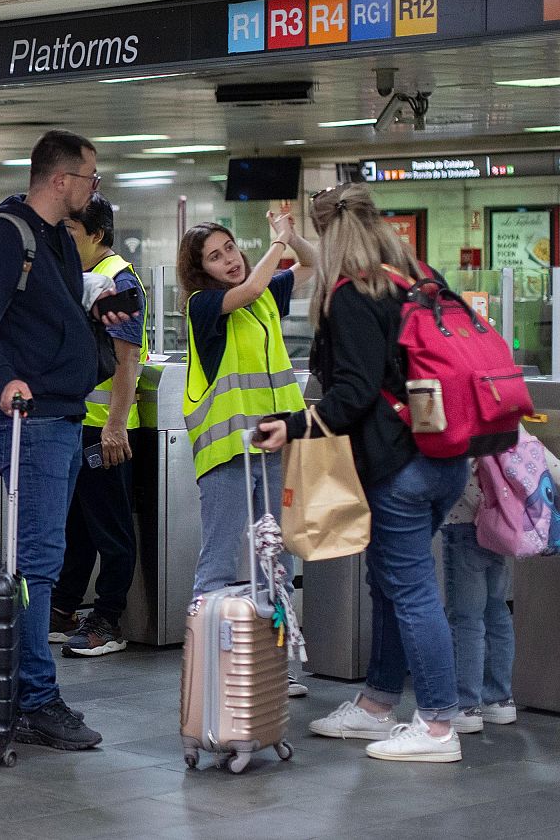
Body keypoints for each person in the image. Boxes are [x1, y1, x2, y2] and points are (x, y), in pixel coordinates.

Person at [258, 183, 470, 764]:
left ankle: (436, 725)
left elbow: (351, 392)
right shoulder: (417, 278)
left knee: (411, 591)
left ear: (328, 235)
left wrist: (292, 425)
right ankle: (378, 701)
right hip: (443, 456)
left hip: (398, 465)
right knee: (393, 585)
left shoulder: (354, 294)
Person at [0, 129, 115, 751]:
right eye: (89, 179)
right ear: (60, 179)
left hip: (62, 416)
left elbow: (45, 322)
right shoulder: (5, 234)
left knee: (41, 558)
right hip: (30, 419)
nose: (92, 190)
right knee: (36, 563)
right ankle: (34, 698)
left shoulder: (56, 242)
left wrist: (96, 324)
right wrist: (3, 378)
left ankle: (30, 692)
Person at [177, 214, 314, 696]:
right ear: (200, 271)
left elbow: (311, 266)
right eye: (215, 256)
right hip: (226, 452)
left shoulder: (262, 296)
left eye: (231, 248)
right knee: (218, 559)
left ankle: (275, 664)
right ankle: (207, 664)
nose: (229, 260)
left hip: (272, 446)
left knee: (275, 558)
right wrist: (277, 241)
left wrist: (293, 237)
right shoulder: (204, 304)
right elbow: (252, 290)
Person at [53, 193, 146, 658]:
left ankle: (108, 617)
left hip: (102, 427)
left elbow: (127, 361)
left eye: (71, 232)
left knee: (109, 526)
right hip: (73, 420)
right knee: (75, 525)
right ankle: (64, 606)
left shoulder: (118, 281)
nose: (63, 240)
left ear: (97, 235)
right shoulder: (81, 279)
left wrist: (116, 426)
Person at [437, 473, 519, 735]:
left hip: (463, 525)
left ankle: (466, 705)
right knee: (497, 613)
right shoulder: (502, 432)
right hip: (499, 524)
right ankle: (500, 699)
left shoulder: (466, 431)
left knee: (466, 620)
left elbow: (455, 473)